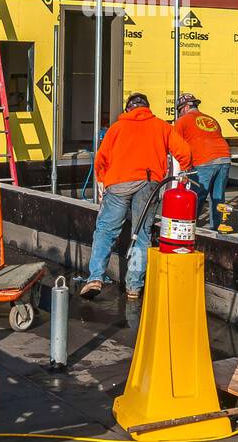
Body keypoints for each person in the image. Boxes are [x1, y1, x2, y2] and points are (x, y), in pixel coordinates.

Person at [79, 92, 191, 301]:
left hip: (119, 184)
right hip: (149, 184)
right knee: (141, 234)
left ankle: (95, 278)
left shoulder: (117, 128)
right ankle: (134, 287)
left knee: (105, 231)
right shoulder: (161, 126)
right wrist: (183, 172)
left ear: (128, 109)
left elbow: (101, 160)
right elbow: (184, 152)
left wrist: (103, 182)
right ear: (147, 108)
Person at [173, 92, 230, 229]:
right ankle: (217, 229)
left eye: (180, 110)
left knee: (197, 196)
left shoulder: (183, 121)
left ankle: (190, 228)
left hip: (204, 162)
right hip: (224, 158)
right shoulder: (211, 119)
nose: (180, 114)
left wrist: (182, 169)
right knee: (217, 197)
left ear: (186, 107)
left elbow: (175, 145)